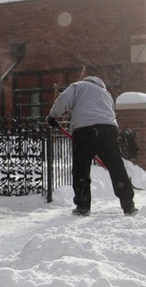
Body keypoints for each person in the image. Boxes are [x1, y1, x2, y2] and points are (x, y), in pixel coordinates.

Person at [46, 74, 137, 216]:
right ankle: (128, 204)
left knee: (81, 169)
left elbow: (63, 99)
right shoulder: (106, 94)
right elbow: (111, 114)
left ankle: (82, 206)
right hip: (108, 131)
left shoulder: (78, 86)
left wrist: (53, 116)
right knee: (116, 167)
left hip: (84, 131)